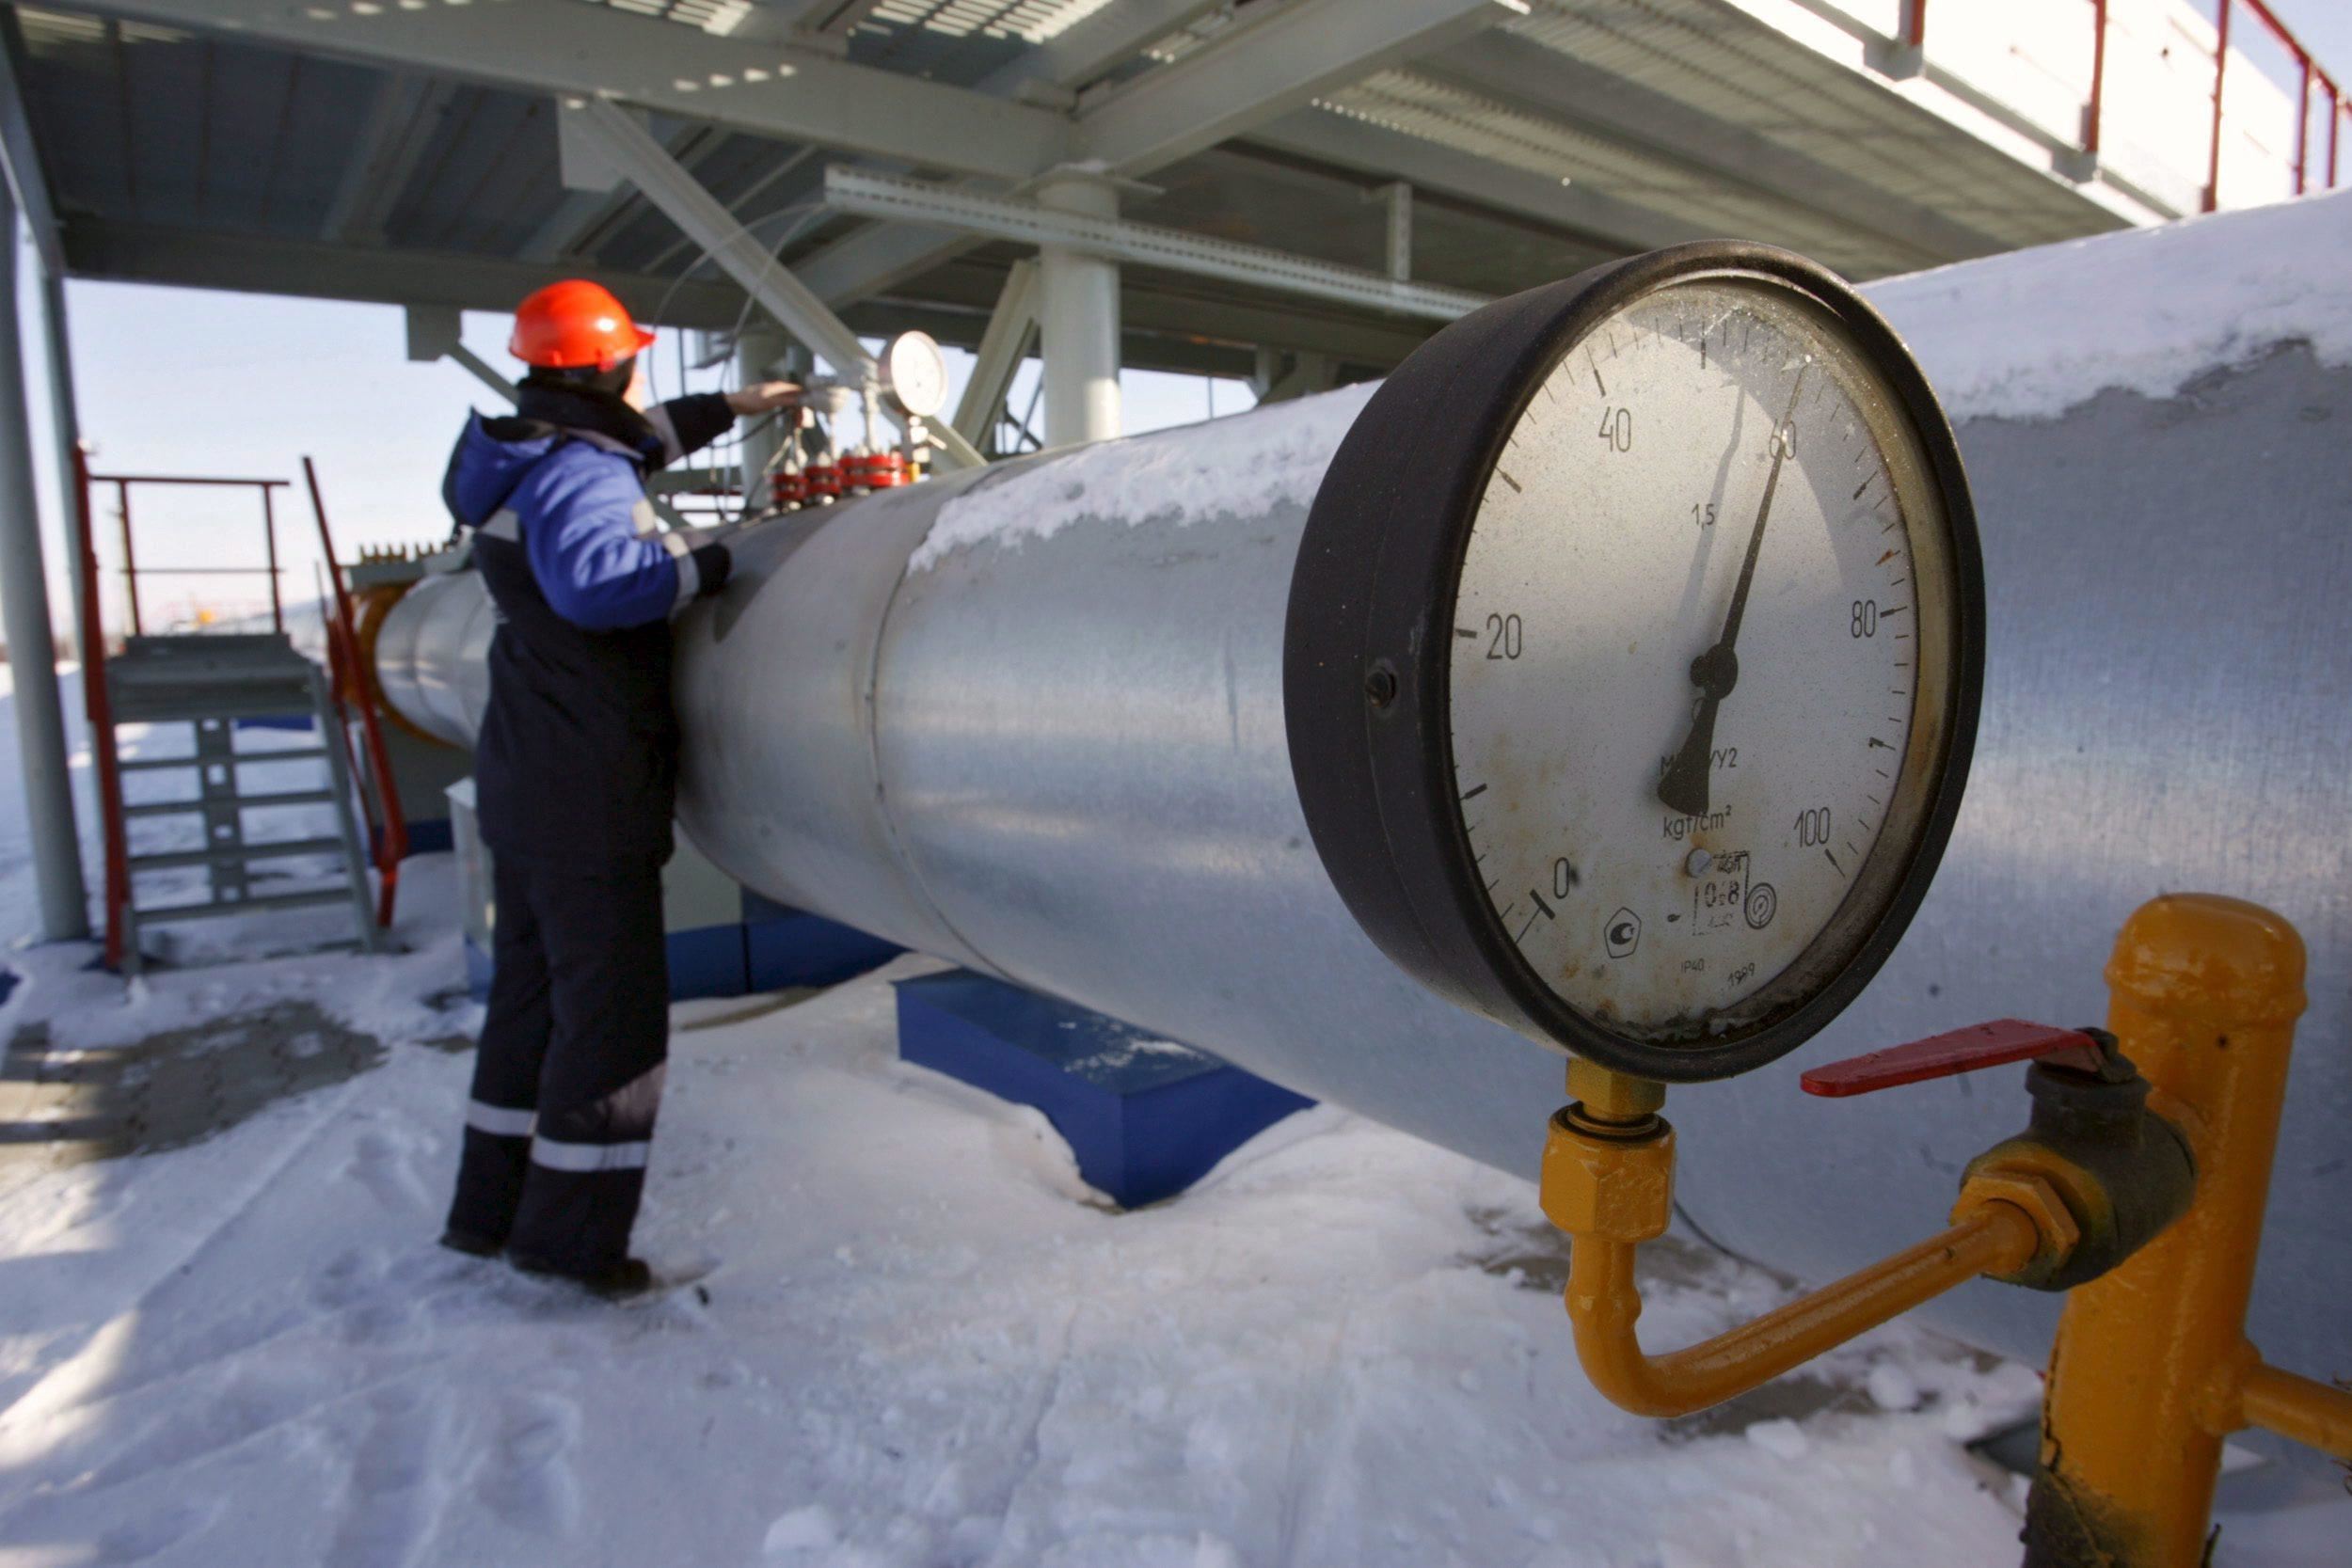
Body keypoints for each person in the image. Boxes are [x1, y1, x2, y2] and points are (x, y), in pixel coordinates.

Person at [437, 279, 799, 1296]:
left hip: (526, 767)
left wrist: (735, 408)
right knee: (611, 1027)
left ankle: (489, 1210)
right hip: (587, 782)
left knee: (533, 1003)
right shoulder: (581, 473)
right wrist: (716, 559)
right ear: (610, 364)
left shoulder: (526, 451)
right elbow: (601, 584)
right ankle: (569, 1241)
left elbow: (621, 449)